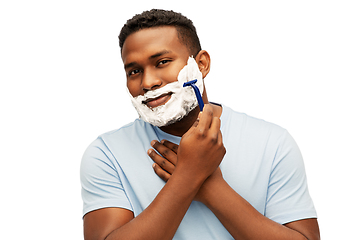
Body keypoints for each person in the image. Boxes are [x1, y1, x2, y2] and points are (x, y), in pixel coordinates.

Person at [80, 9, 320, 240]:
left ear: (201, 64)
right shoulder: (106, 154)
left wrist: (210, 188)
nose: (148, 82)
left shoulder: (273, 142)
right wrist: (189, 174)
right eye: (134, 71)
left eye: (162, 61)